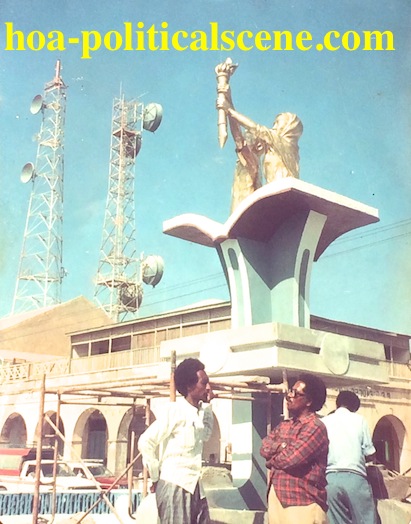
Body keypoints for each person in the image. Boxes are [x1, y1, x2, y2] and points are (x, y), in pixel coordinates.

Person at [215, 60, 303, 212]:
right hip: (271, 200)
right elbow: (239, 137)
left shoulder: (284, 143)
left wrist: (229, 109)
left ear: (289, 127)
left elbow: (253, 129)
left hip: (281, 201)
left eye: (277, 123)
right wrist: (228, 95)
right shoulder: (275, 147)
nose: (273, 127)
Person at [138, 358, 214, 523]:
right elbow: (146, 441)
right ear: (189, 386)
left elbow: (206, 435)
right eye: (204, 382)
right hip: (175, 484)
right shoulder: (175, 411)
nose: (208, 387)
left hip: (195, 486)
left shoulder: (199, 413)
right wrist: (156, 477)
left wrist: (207, 406)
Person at [260, 373, 328, 524]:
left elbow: (291, 459)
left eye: (296, 393)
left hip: (303, 503)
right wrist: (283, 446)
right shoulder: (285, 424)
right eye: (290, 391)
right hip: (277, 499)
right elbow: (264, 447)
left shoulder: (315, 427)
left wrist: (272, 458)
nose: (289, 396)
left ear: (309, 401)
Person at [322, 390, 377, 524]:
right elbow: (370, 453)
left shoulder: (323, 421)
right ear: (354, 408)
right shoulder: (360, 420)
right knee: (366, 520)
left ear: (337, 404)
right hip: (355, 477)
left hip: (329, 480)